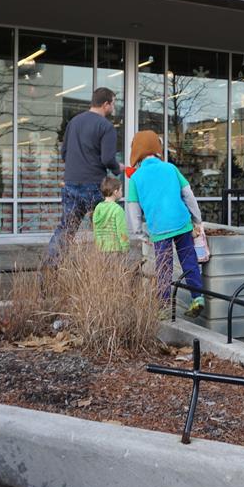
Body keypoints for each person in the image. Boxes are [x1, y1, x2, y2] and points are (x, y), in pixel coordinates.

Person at [124, 130, 207, 317]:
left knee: (164, 267)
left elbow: (133, 208)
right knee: (189, 260)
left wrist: (139, 233)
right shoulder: (171, 168)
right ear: (157, 148)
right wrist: (197, 219)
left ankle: (163, 308)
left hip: (159, 229)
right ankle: (198, 297)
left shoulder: (136, 178)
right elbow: (188, 194)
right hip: (182, 223)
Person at [46, 87, 121, 264]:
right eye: (113, 103)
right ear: (106, 104)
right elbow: (107, 159)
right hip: (95, 185)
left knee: (66, 230)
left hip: (71, 183)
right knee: (106, 229)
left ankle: (49, 271)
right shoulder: (106, 127)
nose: (114, 107)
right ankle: (106, 272)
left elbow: (64, 153)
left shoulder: (74, 122)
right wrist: (118, 168)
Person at [92, 175, 128, 253]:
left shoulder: (98, 208)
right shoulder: (118, 209)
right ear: (115, 192)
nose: (122, 192)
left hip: (100, 248)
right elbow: (122, 231)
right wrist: (125, 247)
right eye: (121, 190)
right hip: (115, 249)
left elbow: (95, 228)